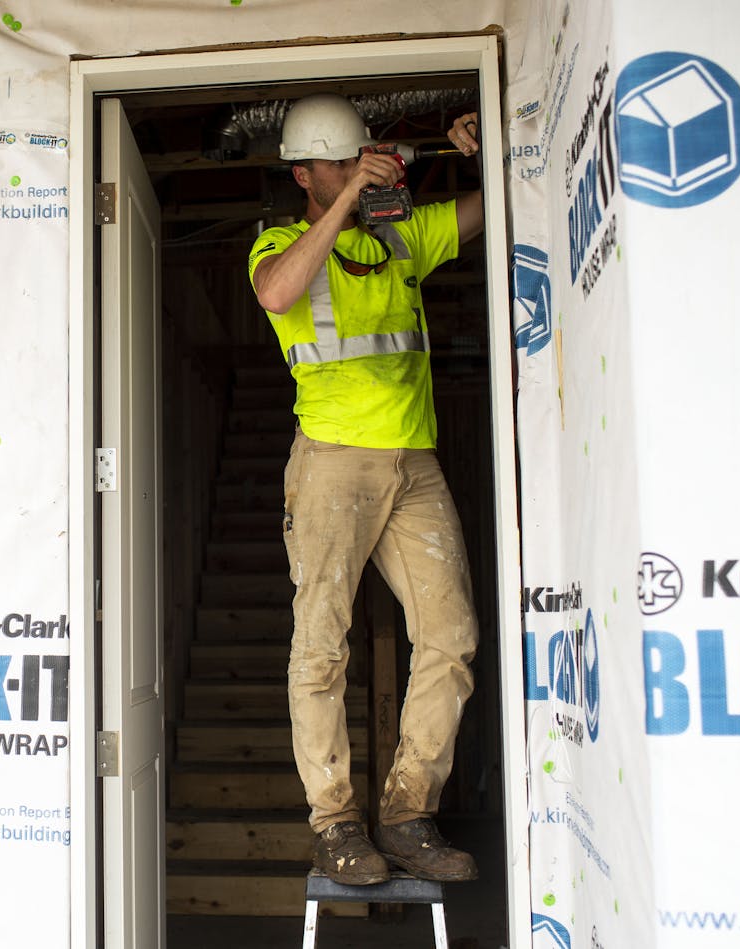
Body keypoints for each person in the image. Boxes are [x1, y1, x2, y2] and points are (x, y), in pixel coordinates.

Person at [246, 93, 484, 886]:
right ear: (303, 173)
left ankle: (409, 811)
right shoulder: (279, 241)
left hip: (412, 461)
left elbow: (494, 210)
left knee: (451, 638)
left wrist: (475, 152)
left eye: (361, 160)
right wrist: (348, 200)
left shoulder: (401, 237)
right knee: (320, 646)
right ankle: (336, 822)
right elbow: (279, 292)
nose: (356, 172)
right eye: (338, 164)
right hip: (331, 461)